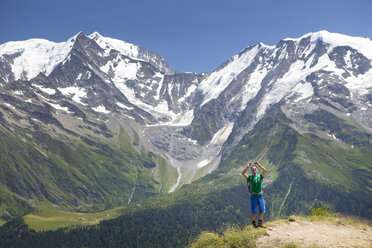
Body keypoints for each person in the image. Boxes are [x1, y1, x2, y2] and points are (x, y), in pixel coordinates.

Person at [242, 161, 267, 228]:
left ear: (257, 170)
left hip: (260, 195)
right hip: (253, 196)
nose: (254, 170)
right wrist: (247, 167)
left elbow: (265, 170)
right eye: (252, 169)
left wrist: (259, 165)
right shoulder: (250, 178)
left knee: (262, 209)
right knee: (254, 210)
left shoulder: (260, 176)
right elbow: (243, 173)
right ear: (251, 171)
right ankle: (254, 224)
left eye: (255, 169)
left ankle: (260, 223)